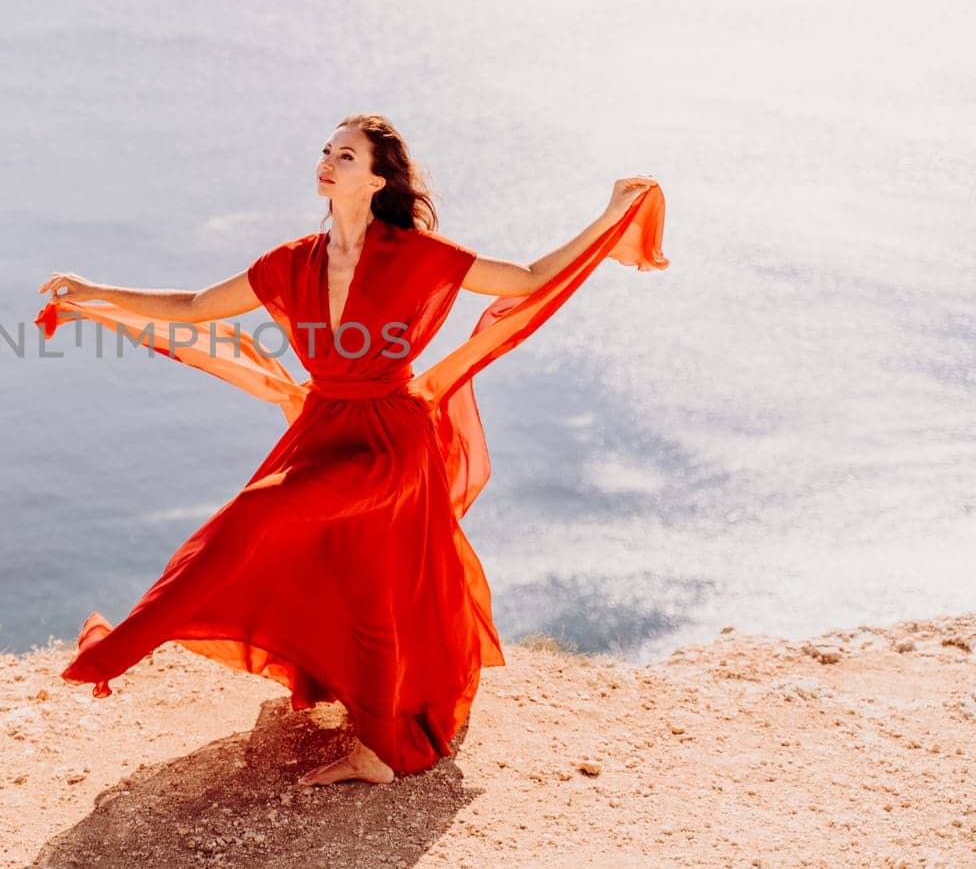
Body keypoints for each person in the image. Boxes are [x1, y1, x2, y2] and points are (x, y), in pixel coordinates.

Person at [34, 113, 667, 786]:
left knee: (254, 514)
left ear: (376, 178)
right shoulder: (290, 262)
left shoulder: (416, 254)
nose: (328, 161)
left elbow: (529, 276)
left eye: (345, 154)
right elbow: (194, 306)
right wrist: (95, 291)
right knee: (367, 592)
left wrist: (608, 215)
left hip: (391, 445)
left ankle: (113, 652)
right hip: (325, 429)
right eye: (326, 151)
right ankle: (375, 748)